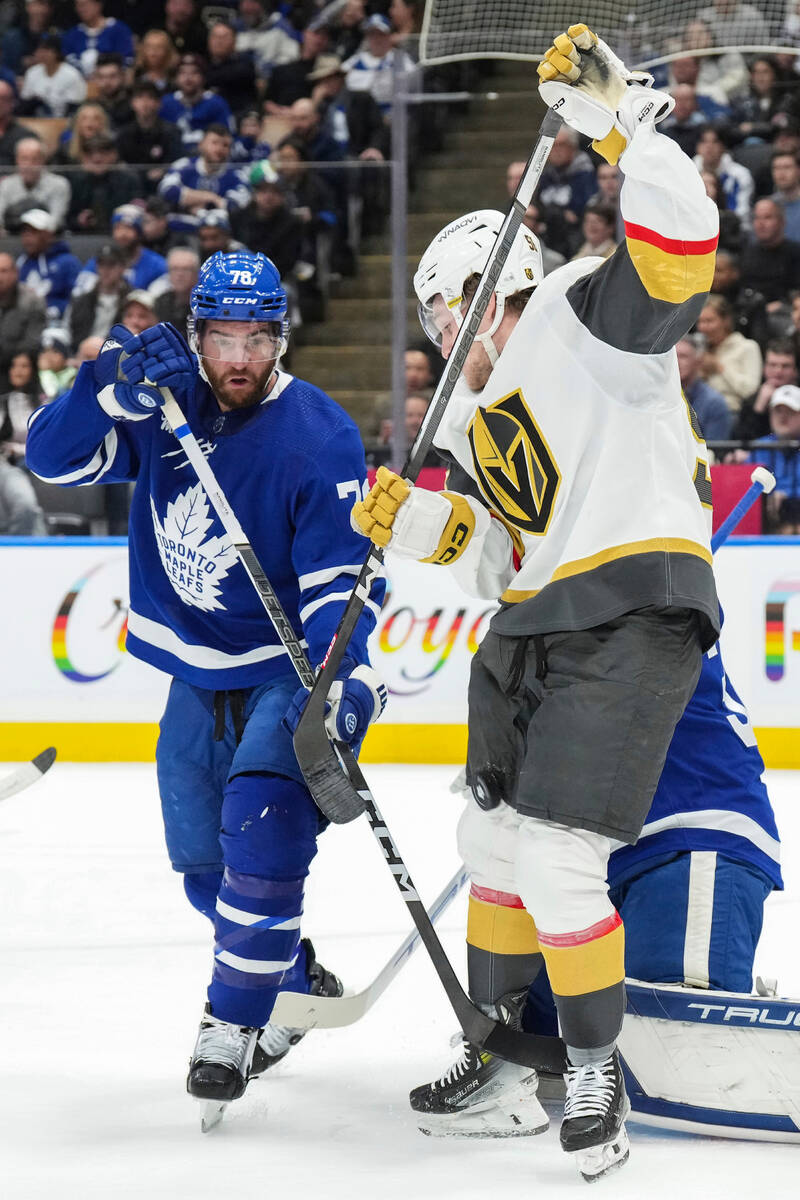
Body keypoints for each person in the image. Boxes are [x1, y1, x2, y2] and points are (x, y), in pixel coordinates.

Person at [352, 25, 720, 1181]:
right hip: (536, 623)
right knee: (492, 839)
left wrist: (627, 129)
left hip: (627, 604)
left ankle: (589, 1071)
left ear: (486, 287)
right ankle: (511, 1061)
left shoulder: (572, 311)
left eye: (446, 307)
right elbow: (494, 556)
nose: (437, 337)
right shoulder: (471, 419)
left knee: (559, 859)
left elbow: (678, 260)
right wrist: (417, 525)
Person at [25, 248, 386, 1114]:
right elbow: (52, 459)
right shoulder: (163, 401)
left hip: (283, 674)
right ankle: (296, 979)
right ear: (194, 337)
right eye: (221, 337)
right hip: (192, 677)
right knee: (205, 877)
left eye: (257, 339)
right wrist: (102, 384)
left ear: (280, 340)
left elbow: (342, 579)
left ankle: (229, 1023)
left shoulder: (319, 433)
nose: (237, 358)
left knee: (259, 847)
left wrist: (337, 679)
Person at [159, 124, 251, 215]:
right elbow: (167, 190)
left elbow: (234, 205)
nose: (219, 149)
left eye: (225, 145)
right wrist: (211, 197)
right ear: (201, 145)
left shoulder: (237, 175)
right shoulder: (184, 165)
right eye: (214, 143)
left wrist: (194, 203)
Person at [697, 293, 763, 413]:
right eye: (700, 322)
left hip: (732, 412)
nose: (703, 327)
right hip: (697, 413)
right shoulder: (699, 349)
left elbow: (750, 391)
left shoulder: (747, 347)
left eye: (709, 321)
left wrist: (719, 367)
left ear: (726, 321)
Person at [117, 79, 184, 194]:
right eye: (140, 97)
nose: (145, 103)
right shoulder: (124, 134)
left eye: (150, 98)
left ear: (159, 103)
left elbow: (178, 162)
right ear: (132, 103)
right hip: (132, 189)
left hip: (163, 186)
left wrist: (163, 171)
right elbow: (122, 164)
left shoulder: (171, 132)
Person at [159, 54, 235, 155]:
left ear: (203, 77)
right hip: (172, 160)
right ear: (176, 78)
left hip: (207, 161)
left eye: (194, 73)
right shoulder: (166, 103)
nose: (188, 78)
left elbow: (227, 136)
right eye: (183, 73)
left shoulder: (216, 103)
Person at [15, 208, 82, 320]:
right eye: (24, 231)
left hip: (57, 323)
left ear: (49, 235)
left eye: (33, 232)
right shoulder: (20, 262)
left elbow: (79, 299)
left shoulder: (67, 263)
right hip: (21, 321)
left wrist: (56, 309)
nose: (27, 237)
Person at [0, 136, 70, 234]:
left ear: (43, 161)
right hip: (12, 238)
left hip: (45, 242)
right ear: (17, 160)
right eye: (24, 159)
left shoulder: (59, 184)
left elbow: (55, 222)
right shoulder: (5, 185)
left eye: (35, 159)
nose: (29, 164)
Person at [0, 252, 46, 390]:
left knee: (22, 362)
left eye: (4, 271)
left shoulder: (32, 301)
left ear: (15, 273)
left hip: (18, 366)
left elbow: (32, 342)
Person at [676, 333, 732, 442]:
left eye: (683, 356)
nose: (676, 362)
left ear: (698, 361)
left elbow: (715, 450)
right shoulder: (657, 397)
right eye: (674, 357)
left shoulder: (714, 403)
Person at [19, 32, 87, 118]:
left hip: (64, 121)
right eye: (39, 50)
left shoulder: (72, 74)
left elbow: (75, 108)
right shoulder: (32, 72)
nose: (41, 54)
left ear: (57, 52)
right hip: (36, 120)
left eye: (46, 50)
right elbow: (25, 102)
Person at [62, 0, 134, 78]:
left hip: (113, 83)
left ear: (98, 5)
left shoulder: (119, 30)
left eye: (85, 4)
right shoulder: (72, 34)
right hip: (80, 84)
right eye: (78, 5)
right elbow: (69, 62)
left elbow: (127, 60)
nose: (81, 9)